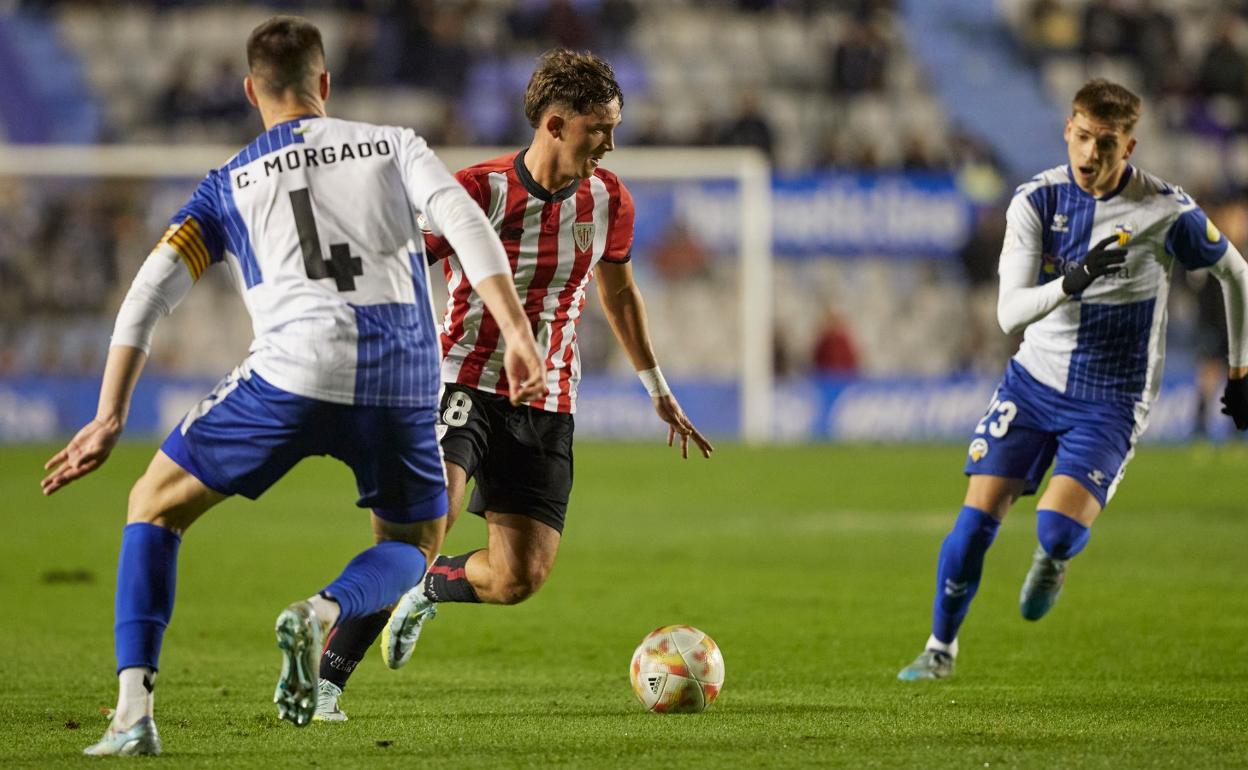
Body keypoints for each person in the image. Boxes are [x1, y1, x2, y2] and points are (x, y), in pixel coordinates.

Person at [40, 16, 545, 754]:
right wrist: (517, 329)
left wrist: (109, 413)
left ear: (251, 90)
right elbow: (465, 221)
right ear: (325, 83)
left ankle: (132, 715)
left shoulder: (229, 183)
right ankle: (321, 611)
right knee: (414, 540)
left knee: (153, 503)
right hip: (403, 376)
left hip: (292, 369)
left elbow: (150, 290)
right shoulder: (394, 144)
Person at [315, 49, 714, 721]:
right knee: (428, 520)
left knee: (518, 578)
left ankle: (428, 592)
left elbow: (619, 295)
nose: (610, 144)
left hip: (549, 402)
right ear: (556, 124)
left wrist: (655, 384)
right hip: (461, 380)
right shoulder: (478, 191)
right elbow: (401, 268)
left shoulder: (609, 199)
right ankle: (324, 681)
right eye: (600, 129)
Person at [897, 79, 1248, 681]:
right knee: (975, 521)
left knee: (1056, 530)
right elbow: (1009, 313)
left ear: (1128, 146)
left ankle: (1054, 559)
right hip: (1034, 383)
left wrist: (1241, 369)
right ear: (1068, 129)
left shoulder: (1166, 211)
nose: (1090, 155)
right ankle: (939, 648)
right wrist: (1073, 279)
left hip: (1112, 399)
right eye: (1083, 137)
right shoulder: (1035, 202)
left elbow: (1237, 275)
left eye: (1106, 144)